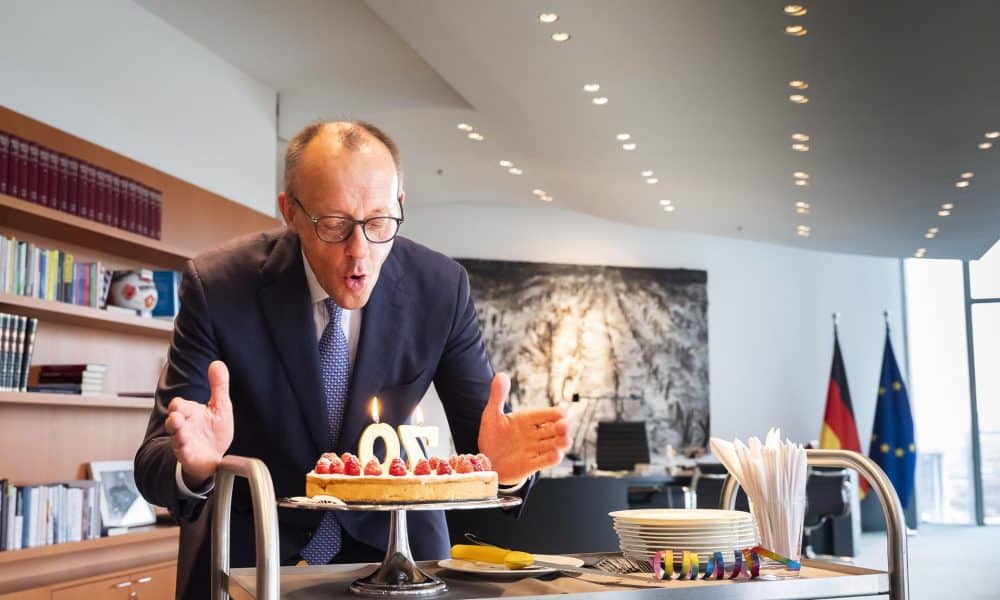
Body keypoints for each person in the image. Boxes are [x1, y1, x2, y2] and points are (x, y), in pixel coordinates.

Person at [134, 121, 571, 599]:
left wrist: (500, 470)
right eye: (334, 225)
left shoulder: (441, 288)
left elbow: (482, 441)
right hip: (255, 557)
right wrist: (194, 466)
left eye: (379, 223)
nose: (359, 252)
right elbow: (153, 463)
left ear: (400, 205)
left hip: (402, 559)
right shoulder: (218, 285)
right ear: (290, 212)